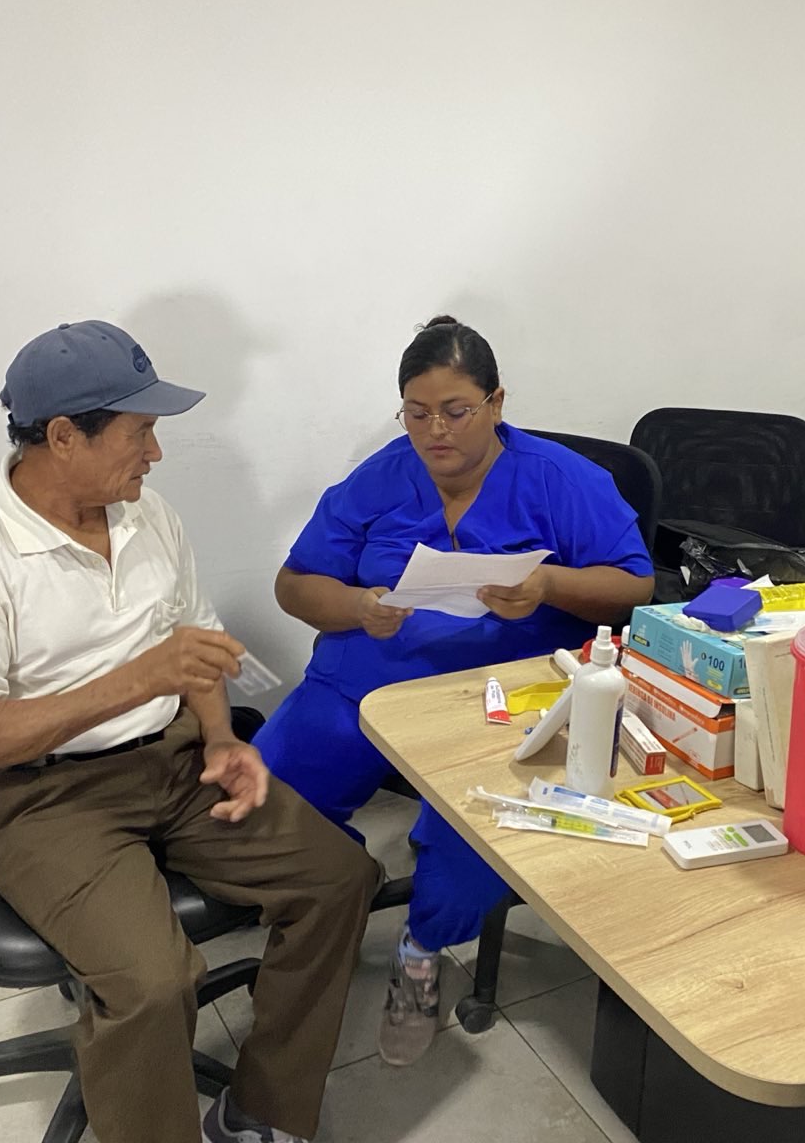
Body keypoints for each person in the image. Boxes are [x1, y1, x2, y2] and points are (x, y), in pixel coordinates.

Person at [0, 321, 378, 1143]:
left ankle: (264, 1109)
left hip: (176, 761)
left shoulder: (147, 515)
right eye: (140, 433)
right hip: (44, 797)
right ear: (63, 436)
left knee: (340, 878)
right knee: (155, 983)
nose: (155, 455)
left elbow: (194, 644)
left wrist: (221, 739)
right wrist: (138, 679)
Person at [254, 315, 655, 1066]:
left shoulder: (561, 479)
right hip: (365, 683)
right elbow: (294, 583)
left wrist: (548, 585)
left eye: (456, 410)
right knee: (263, 804)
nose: (434, 430)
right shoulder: (381, 476)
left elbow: (634, 586)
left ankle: (419, 954)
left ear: (496, 402)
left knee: (466, 855)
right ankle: (335, 899)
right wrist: (358, 606)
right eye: (416, 412)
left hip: (494, 701)